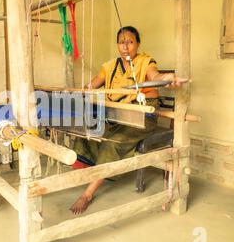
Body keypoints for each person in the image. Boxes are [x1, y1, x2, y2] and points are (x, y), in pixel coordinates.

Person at [69, 26, 187, 214]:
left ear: (137, 44)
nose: (125, 46)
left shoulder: (145, 61)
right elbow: (91, 85)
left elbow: (155, 76)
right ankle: (94, 174)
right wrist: (78, 93)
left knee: (113, 143)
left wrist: (165, 78)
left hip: (142, 117)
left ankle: (88, 194)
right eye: (121, 42)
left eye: (130, 42)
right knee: (86, 133)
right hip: (116, 115)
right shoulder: (109, 66)